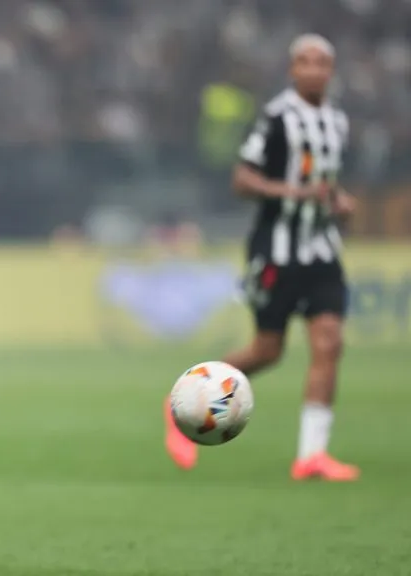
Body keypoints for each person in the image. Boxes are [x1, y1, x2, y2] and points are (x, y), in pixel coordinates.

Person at [164, 33, 360, 481]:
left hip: (323, 249)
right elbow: (242, 179)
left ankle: (311, 455)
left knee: (329, 342)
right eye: (305, 62)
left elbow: (324, 183)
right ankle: (186, 394)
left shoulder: (336, 121)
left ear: (330, 70)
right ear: (293, 70)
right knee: (268, 350)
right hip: (277, 250)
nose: (314, 70)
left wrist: (339, 202)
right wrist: (293, 192)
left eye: (322, 63)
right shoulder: (277, 118)